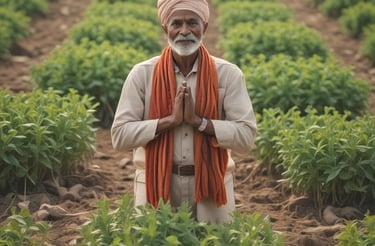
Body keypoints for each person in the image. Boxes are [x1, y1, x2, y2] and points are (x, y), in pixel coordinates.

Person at [111, 0, 257, 223]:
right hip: (154, 183)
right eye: (176, 23)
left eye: (192, 23)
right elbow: (120, 136)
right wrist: (168, 121)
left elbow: (246, 137)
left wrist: (200, 122)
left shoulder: (228, 74)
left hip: (212, 186)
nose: (184, 31)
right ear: (165, 29)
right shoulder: (142, 74)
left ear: (204, 27)